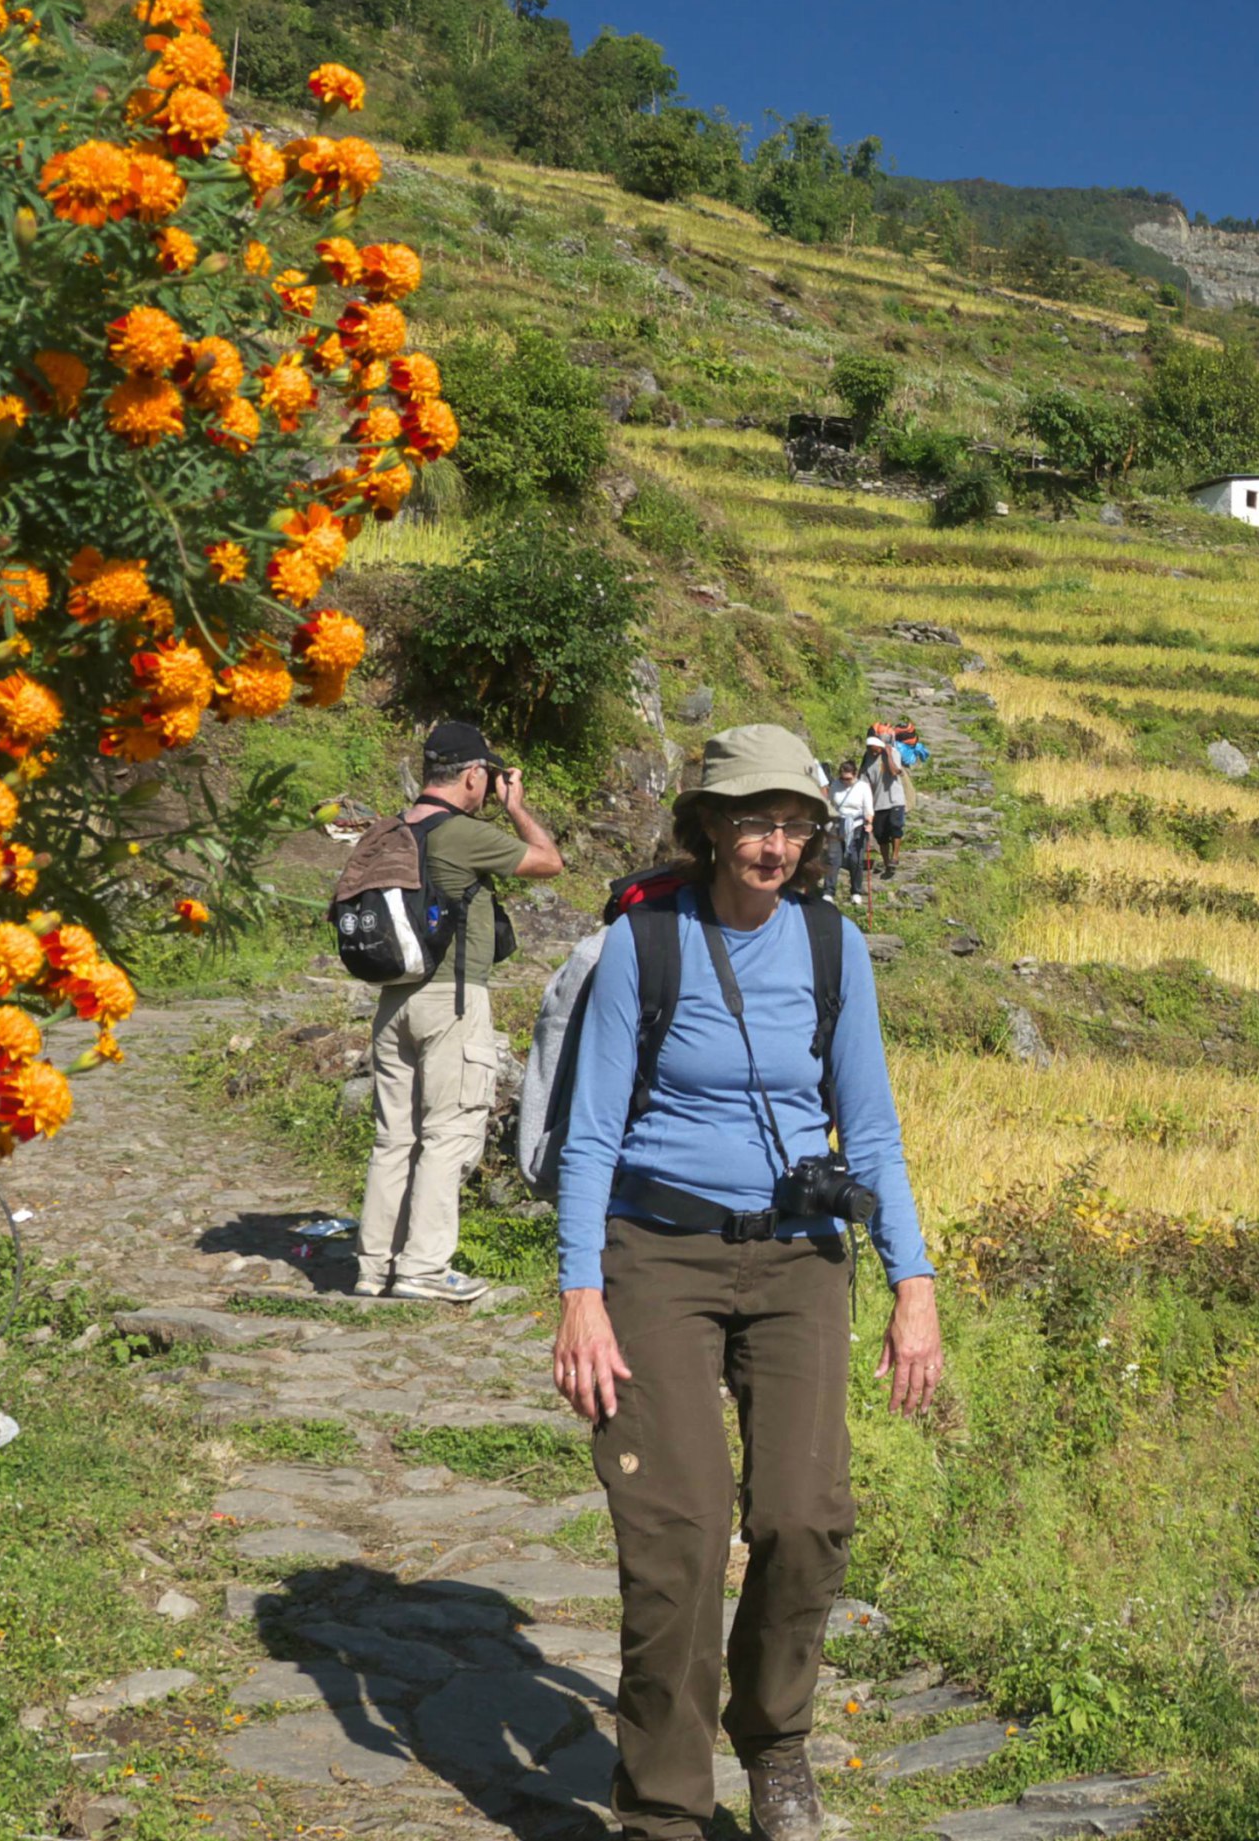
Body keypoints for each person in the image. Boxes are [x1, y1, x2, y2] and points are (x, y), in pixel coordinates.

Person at [550, 725, 942, 1841]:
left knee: (805, 1517)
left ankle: (774, 1743)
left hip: (798, 1255)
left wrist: (910, 1282)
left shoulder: (834, 949)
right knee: (675, 1528)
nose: (774, 843)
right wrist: (581, 1294)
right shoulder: (645, 945)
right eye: (752, 820)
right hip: (657, 1249)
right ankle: (666, 1806)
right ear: (710, 826)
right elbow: (588, 1137)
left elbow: (870, 1132)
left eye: (793, 822)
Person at [358, 721, 565, 1302]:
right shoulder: (460, 835)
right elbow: (550, 861)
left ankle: (376, 1267)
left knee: (394, 1137)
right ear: (474, 775)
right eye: (488, 775)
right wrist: (517, 806)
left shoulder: (390, 829)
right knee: (449, 1133)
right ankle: (423, 1269)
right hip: (452, 998)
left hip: (393, 998)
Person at [861, 730, 910, 880]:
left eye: (874, 749)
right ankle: (887, 862)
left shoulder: (892, 753)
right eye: (869, 749)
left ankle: (895, 856)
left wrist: (887, 754)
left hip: (895, 799)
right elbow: (863, 781)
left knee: (896, 827)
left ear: (879, 747)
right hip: (878, 803)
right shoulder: (867, 758)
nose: (871, 751)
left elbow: (895, 771)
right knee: (881, 835)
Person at [829, 760, 875, 909]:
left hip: (857, 824)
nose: (845, 781)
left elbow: (868, 809)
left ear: (855, 775)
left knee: (856, 859)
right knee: (833, 857)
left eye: (848, 778)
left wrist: (869, 822)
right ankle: (829, 891)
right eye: (842, 778)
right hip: (839, 822)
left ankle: (856, 891)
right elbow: (830, 804)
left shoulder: (863, 787)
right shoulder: (835, 785)